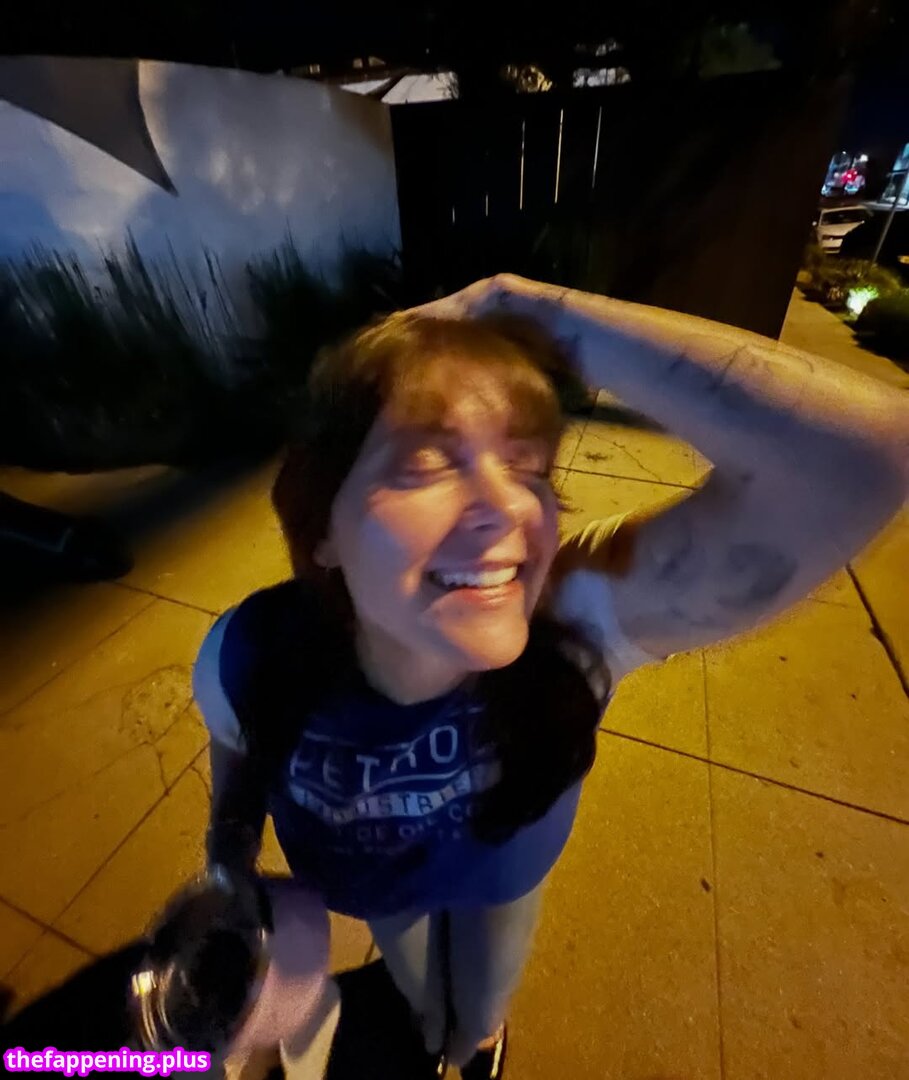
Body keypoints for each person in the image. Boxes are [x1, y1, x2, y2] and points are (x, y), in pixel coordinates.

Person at [192, 274, 908, 1079]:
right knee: (422, 1001)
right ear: (322, 527)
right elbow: (234, 743)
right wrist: (227, 856)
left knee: (476, 1017)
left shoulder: (572, 629)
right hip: (378, 888)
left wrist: (527, 309)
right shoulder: (248, 652)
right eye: (426, 464)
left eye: (528, 468)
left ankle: (476, 1051)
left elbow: (864, 455)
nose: (506, 507)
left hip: (503, 878)